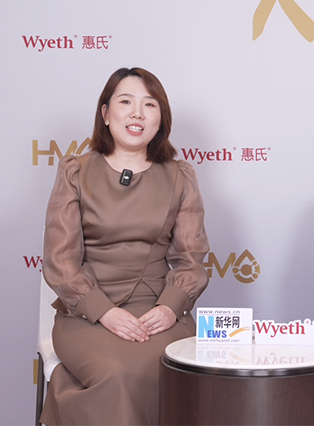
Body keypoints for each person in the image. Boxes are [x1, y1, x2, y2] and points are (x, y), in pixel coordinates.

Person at [40, 67, 210, 426]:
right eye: (125, 102)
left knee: (173, 369)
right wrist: (103, 311)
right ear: (105, 113)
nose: (137, 113)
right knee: (118, 374)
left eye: (149, 104)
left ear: (160, 118)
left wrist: (170, 307)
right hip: (87, 316)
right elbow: (60, 262)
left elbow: (192, 260)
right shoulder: (75, 172)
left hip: (158, 314)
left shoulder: (180, 176)